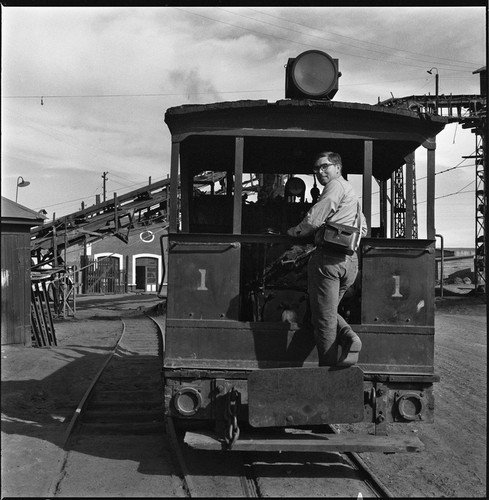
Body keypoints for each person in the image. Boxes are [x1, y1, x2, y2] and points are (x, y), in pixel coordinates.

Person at [287, 152, 367, 366]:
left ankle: (328, 371)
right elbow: (364, 228)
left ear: (337, 168)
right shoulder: (351, 192)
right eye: (317, 168)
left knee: (324, 320)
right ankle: (350, 338)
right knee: (325, 311)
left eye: (325, 167)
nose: (320, 171)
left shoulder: (335, 187)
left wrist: (294, 232)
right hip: (350, 262)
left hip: (328, 260)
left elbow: (315, 218)